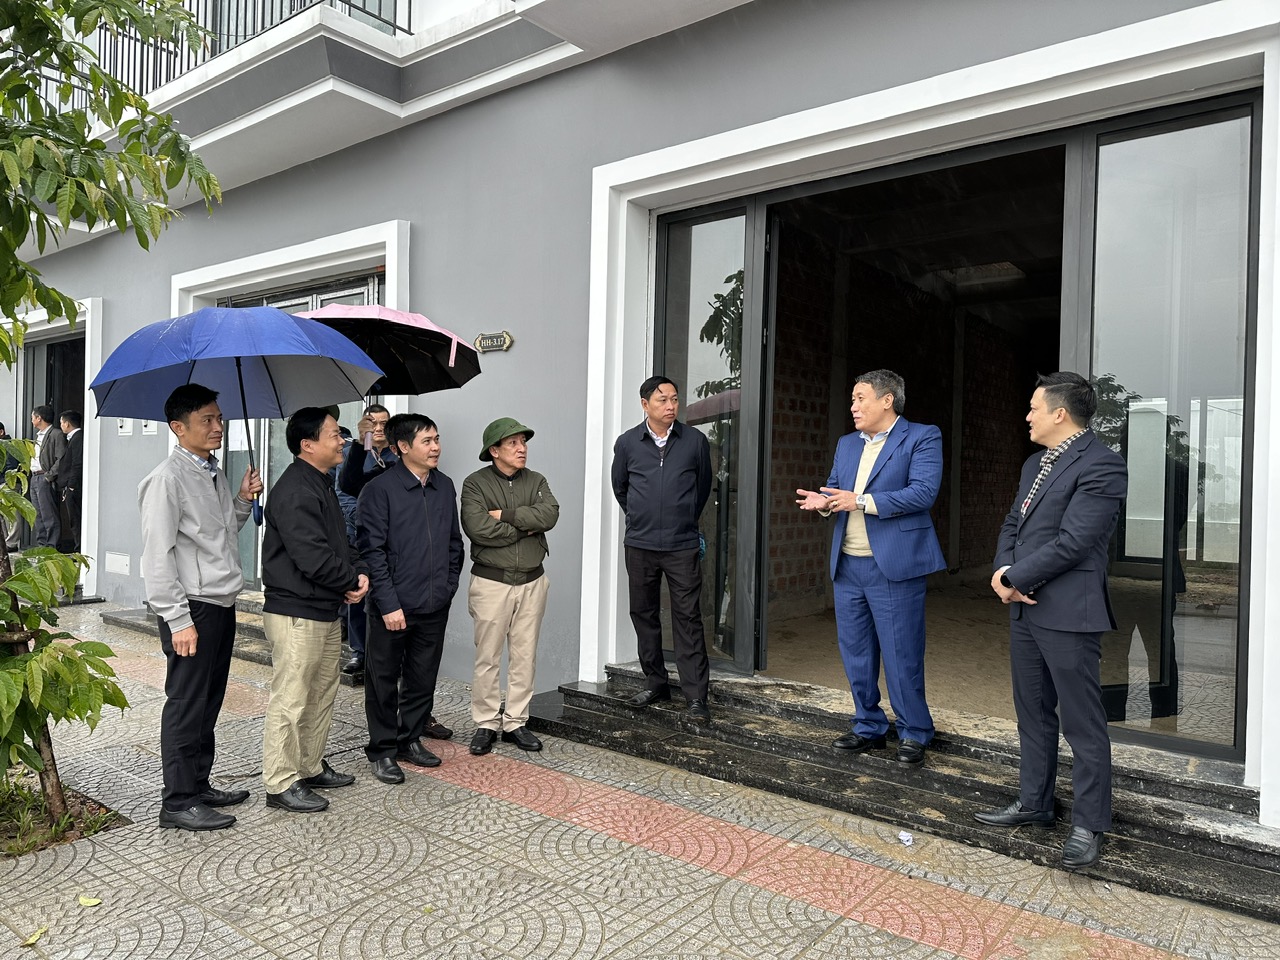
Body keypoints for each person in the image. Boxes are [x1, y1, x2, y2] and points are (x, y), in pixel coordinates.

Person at [977, 371, 1128, 871]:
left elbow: (1077, 541)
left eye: (1033, 408)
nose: (1026, 416)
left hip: (1068, 612)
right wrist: (1003, 573)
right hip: (1024, 607)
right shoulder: (1033, 464)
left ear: (1060, 413)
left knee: (1082, 724)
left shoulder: (1104, 465)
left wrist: (1017, 576)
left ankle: (1089, 822)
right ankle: (1035, 802)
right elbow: (1013, 522)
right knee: (1032, 713)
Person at [797, 369, 946, 765]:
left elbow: (923, 492)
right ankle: (868, 725)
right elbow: (836, 488)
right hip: (849, 565)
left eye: (860, 398)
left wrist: (859, 501)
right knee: (856, 652)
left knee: (902, 653)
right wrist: (824, 501)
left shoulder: (922, 436)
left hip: (894, 565)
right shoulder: (847, 444)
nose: (853, 406)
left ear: (887, 400)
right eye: (851, 399)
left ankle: (915, 731)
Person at [139, 384, 263, 831]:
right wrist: (177, 619)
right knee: (186, 703)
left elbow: (220, 533)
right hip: (192, 608)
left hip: (220, 602)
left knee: (209, 700)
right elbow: (157, 557)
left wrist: (245, 499)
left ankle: (198, 782)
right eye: (206, 420)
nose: (218, 426)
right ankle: (177, 801)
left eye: (218, 417)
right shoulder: (166, 479)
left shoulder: (212, 471)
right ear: (178, 428)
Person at [260, 408, 369, 814]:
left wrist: (358, 571)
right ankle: (280, 781)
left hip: (323, 608)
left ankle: (308, 765)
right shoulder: (294, 489)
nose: (341, 438)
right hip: (296, 611)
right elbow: (312, 556)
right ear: (308, 444)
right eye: (333, 433)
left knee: (321, 693)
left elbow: (341, 542)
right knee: (291, 697)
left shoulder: (321, 482)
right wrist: (348, 580)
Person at [357, 413, 463, 784]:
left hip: (434, 603)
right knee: (383, 681)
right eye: (427, 441)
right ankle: (383, 750)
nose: (435, 447)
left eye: (437, 439)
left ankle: (410, 738)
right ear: (403, 447)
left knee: (422, 678)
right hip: (393, 608)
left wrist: (448, 587)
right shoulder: (379, 489)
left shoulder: (444, 485)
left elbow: (454, 543)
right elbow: (373, 551)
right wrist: (389, 604)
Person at [611, 375, 713, 721]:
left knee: (687, 618)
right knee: (644, 614)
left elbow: (702, 489)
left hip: (681, 545)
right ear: (645, 405)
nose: (670, 406)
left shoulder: (695, 441)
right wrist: (642, 519)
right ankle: (655, 683)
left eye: (674, 400)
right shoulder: (627, 443)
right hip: (639, 544)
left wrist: (682, 519)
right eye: (662, 400)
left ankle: (696, 696)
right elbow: (621, 488)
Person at [460, 418, 559, 756]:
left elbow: (549, 516)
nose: (522, 448)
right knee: (487, 655)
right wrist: (523, 527)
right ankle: (486, 722)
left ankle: (516, 721)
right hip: (491, 582)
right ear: (494, 450)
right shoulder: (475, 484)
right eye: (513, 443)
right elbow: (478, 529)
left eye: (523, 442)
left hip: (533, 581)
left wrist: (503, 515)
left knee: (524, 655)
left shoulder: (537, 480)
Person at [29, 405, 66, 548]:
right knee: (37, 515)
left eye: (33, 417)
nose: (32, 421)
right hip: (34, 477)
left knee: (49, 515)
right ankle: (42, 546)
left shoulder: (56, 434)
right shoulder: (38, 436)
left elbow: (61, 458)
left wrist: (49, 476)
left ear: (39, 418)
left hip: (44, 477)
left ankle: (52, 547)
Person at [55, 411, 84, 553]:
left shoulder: (78, 438)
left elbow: (77, 463)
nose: (61, 426)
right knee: (73, 519)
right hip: (69, 485)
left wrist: (71, 486)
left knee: (76, 519)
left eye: (61, 423)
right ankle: (78, 547)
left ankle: (79, 549)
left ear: (67, 423)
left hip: (73, 486)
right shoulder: (73, 438)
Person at [0, 422, 23, 552]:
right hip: (2, 483)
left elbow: (11, 467)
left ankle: (12, 543)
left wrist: (7, 482)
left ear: (1, 432)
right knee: (3, 514)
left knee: (12, 514)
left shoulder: (10, 445)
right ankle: (5, 542)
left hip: (9, 483)